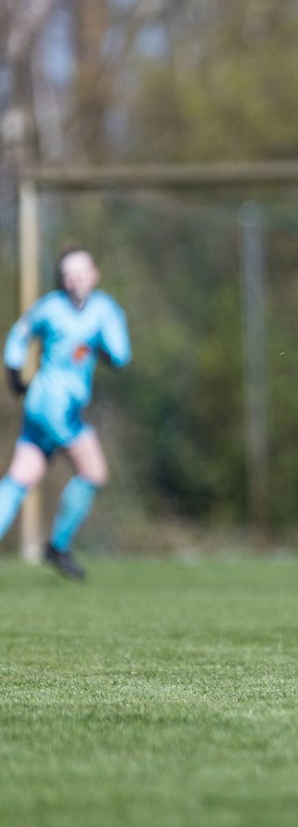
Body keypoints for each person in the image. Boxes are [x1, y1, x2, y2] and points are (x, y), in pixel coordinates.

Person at [0, 248, 131, 580]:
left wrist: (100, 345)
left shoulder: (103, 309)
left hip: (41, 408)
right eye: (68, 274)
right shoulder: (52, 308)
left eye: (81, 272)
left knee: (19, 479)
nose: (75, 279)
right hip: (56, 407)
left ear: (95, 273)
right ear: (62, 279)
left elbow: (120, 355)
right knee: (94, 472)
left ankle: (57, 546)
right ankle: (57, 545)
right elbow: (18, 335)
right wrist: (14, 375)